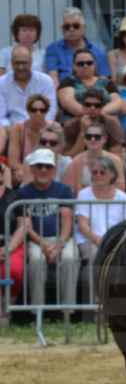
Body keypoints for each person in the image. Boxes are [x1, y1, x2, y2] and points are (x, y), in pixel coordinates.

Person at [17, 147, 78, 311]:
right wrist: (43, 244)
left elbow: (67, 220)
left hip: (62, 238)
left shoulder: (63, 190)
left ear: (54, 169)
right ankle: (38, 312)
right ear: (32, 169)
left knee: (69, 259)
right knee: (36, 260)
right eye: (39, 166)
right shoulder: (23, 193)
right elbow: (25, 225)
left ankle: (68, 311)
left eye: (48, 166)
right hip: (36, 239)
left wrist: (59, 244)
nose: (43, 170)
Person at [0, 49, 56, 161]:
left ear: (31, 62)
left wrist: (35, 125)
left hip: (40, 123)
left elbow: (51, 111)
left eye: (24, 63)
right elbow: (1, 115)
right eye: (17, 63)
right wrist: (13, 128)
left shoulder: (45, 81)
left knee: (54, 129)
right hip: (11, 127)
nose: (20, 67)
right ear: (11, 63)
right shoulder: (2, 82)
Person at [74, 154, 126, 263]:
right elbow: (83, 225)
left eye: (102, 172)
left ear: (112, 175)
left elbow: (125, 226)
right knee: (97, 255)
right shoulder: (83, 194)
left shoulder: (123, 197)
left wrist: (114, 241)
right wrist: (98, 240)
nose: (98, 175)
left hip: (115, 241)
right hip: (89, 239)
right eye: (94, 172)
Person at [44, 8, 110, 86]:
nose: (71, 29)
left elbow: (103, 79)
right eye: (67, 27)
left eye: (76, 26)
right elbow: (53, 78)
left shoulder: (99, 51)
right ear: (62, 29)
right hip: (64, 92)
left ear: (84, 28)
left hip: (93, 92)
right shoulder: (53, 49)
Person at [57, 52, 123, 121]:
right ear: (74, 66)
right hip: (77, 121)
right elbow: (68, 103)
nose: (85, 66)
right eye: (80, 64)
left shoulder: (107, 82)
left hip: (104, 121)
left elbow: (117, 102)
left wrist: (99, 113)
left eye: (89, 63)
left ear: (95, 64)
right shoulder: (68, 82)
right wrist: (91, 114)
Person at [63, 121, 125, 193]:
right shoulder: (77, 161)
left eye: (97, 137)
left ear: (105, 139)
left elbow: (121, 188)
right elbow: (69, 189)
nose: (93, 139)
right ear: (84, 139)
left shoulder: (115, 160)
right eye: (89, 137)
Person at [7, 94, 54, 185]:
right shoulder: (18, 129)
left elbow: (58, 155)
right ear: (28, 111)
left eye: (42, 110)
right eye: (34, 110)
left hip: (48, 168)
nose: (38, 113)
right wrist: (27, 171)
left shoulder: (54, 128)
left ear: (47, 112)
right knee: (19, 175)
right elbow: (13, 161)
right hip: (25, 170)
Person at [0, 159, 24, 315]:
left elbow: (24, 226)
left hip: (12, 244)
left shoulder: (15, 197)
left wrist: (8, 248)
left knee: (13, 269)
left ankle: (8, 308)